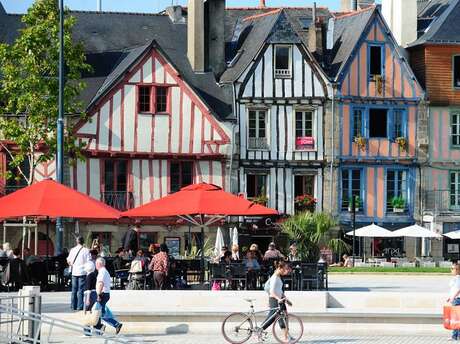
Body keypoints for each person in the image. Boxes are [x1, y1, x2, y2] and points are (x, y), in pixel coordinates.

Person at [261, 260, 293, 342]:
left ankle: (287, 335)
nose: (287, 271)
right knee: (274, 318)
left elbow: (279, 290)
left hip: (280, 300)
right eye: (285, 269)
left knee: (285, 316)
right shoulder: (275, 278)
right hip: (275, 300)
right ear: (280, 268)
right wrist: (279, 299)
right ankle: (260, 330)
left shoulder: (279, 277)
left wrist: (285, 298)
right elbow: (272, 292)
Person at [95, 257, 122, 334]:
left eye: (96, 264)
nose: (95, 265)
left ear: (99, 264)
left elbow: (101, 283)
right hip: (104, 294)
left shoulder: (102, 272)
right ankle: (115, 324)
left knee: (99, 312)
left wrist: (98, 295)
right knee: (101, 312)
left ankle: (101, 328)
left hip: (102, 294)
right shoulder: (104, 271)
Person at [67, 236, 90, 311]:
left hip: (74, 271)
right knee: (80, 290)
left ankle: (73, 305)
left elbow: (68, 260)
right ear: (83, 242)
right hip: (82, 271)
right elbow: (88, 261)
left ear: (77, 242)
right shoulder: (86, 250)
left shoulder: (72, 250)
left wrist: (73, 265)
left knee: (74, 289)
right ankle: (79, 306)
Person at [448, 262, 460, 341]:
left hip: (457, 300)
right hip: (455, 299)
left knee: (456, 319)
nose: (452, 270)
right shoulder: (455, 278)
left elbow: (459, 289)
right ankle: (456, 336)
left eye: (454, 269)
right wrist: (450, 297)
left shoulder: (458, 278)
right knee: (457, 318)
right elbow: (453, 289)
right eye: (452, 268)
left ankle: (454, 336)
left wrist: (453, 297)